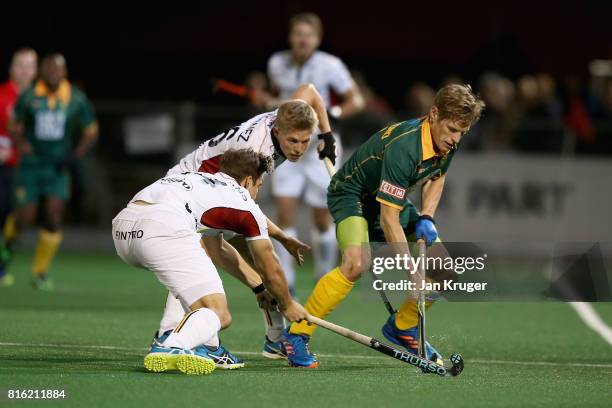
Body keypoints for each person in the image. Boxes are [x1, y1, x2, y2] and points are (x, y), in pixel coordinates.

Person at [281, 84, 485, 368]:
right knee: (356, 263)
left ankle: (403, 326)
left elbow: (437, 176)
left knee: (445, 271)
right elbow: (389, 219)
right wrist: (411, 271)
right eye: (452, 129)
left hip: (390, 200)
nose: (455, 139)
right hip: (353, 195)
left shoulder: (445, 140)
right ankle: (296, 334)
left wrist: (427, 216)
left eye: (462, 133)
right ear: (433, 114)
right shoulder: (406, 147)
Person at [155, 83, 336, 361]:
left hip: (218, 185)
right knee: (206, 258)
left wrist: (326, 135)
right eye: (292, 142)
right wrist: (280, 239)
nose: (299, 149)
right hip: (190, 185)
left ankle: (275, 339)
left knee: (259, 265)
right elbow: (247, 213)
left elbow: (310, 91)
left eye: (305, 140)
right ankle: (169, 334)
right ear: (277, 131)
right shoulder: (256, 153)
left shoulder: (287, 114)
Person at [112, 149, 308, 374]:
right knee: (218, 313)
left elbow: (217, 250)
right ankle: (172, 345)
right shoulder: (244, 202)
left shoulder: (199, 180)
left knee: (199, 293)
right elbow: (270, 267)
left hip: (123, 230)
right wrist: (288, 304)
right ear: (248, 180)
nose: (256, 193)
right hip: (163, 230)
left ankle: (210, 347)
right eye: (259, 186)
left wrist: (258, 287)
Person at [266, 12, 364, 288]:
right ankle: (288, 281)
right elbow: (279, 97)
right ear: (290, 37)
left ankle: (323, 274)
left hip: (321, 146)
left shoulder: (331, 65)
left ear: (318, 39)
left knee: (322, 219)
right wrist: (270, 100)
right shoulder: (276, 63)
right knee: (284, 213)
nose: (303, 39)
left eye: (308, 34)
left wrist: (329, 112)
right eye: (298, 33)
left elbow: (356, 100)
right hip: (286, 148)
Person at [7, 53, 98, 290]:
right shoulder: (29, 96)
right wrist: (20, 142)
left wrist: (76, 154)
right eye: (47, 70)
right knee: (24, 217)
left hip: (58, 167)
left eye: (56, 70)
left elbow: (91, 130)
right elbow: (13, 124)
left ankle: (40, 273)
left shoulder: (75, 99)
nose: (52, 74)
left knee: (54, 216)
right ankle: (4, 256)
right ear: (41, 73)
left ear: (64, 72)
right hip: (31, 165)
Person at [0, 48, 38, 287]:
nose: (25, 70)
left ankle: (3, 263)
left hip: (28, 170)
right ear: (12, 68)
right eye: (20, 65)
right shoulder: (3, 96)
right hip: (5, 167)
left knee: (19, 218)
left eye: (29, 65)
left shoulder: (41, 97)